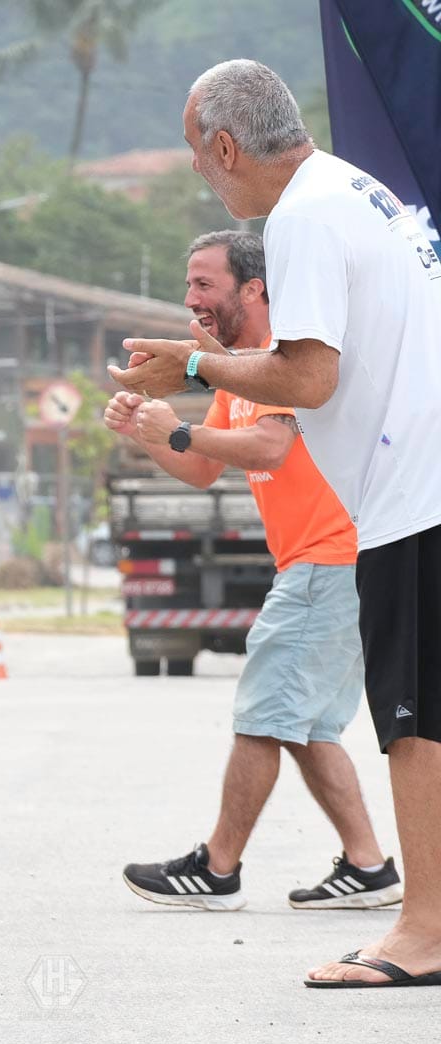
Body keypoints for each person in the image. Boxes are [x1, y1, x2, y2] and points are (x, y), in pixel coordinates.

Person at [114, 60, 441, 988]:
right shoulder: (356, 190)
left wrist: (195, 366)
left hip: (410, 493)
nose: (196, 172)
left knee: (415, 723)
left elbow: (306, 379)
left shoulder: (298, 216)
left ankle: (423, 931)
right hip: (419, 476)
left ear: (226, 145)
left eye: (193, 151)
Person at [109, 230, 399, 912]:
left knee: (263, 715)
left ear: (254, 290)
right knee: (305, 726)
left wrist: (173, 429)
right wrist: (147, 435)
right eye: (190, 285)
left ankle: (217, 869)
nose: (192, 299)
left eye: (205, 284)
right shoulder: (231, 370)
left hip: (327, 563)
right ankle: (368, 866)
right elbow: (206, 469)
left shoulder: (284, 361)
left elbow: (268, 445)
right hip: (317, 564)